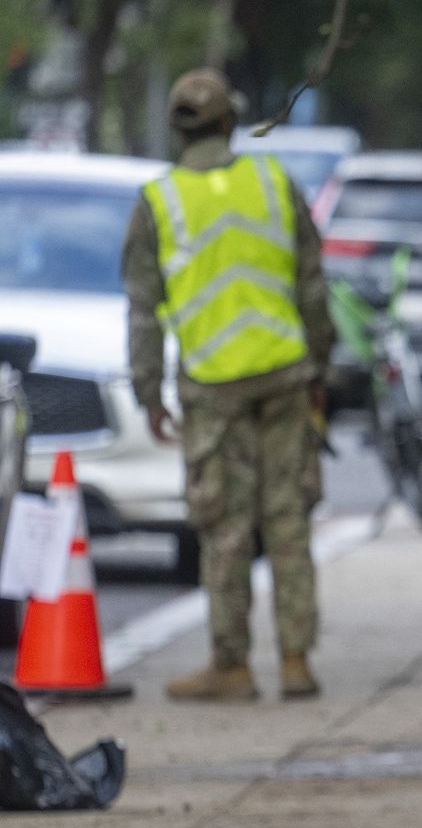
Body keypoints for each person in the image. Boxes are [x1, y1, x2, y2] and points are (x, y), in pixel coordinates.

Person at [124, 68, 335, 702]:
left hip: (212, 387)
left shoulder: (158, 202)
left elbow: (142, 309)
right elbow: (313, 285)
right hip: (284, 371)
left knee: (225, 525)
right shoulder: (274, 183)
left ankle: (232, 666)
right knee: (288, 517)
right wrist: (320, 371)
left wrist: (148, 391)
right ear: (230, 122)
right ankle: (296, 661)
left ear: (175, 129)